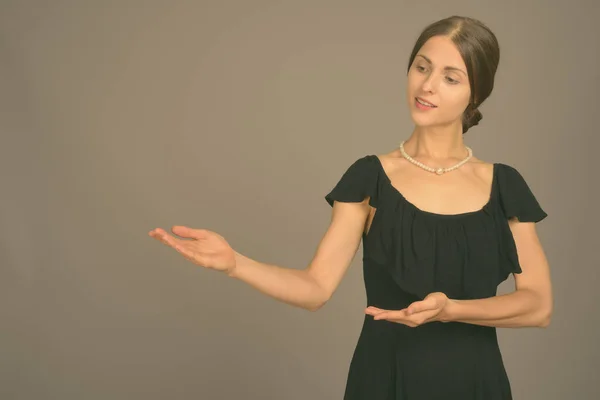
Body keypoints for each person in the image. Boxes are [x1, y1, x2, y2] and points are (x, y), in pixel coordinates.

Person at [149, 15, 553, 400]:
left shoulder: (503, 185)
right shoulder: (369, 177)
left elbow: (537, 305)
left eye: (450, 78)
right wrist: (235, 263)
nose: (427, 86)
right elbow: (315, 288)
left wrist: (450, 310)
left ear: (476, 93)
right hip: (383, 380)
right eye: (421, 67)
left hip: (475, 384)